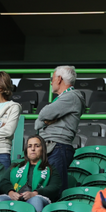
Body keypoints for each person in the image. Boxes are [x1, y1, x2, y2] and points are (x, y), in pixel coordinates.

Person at [35, 66, 84, 197]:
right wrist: (45, 119)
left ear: (59, 79)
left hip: (58, 146)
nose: (51, 82)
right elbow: (38, 123)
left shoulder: (71, 96)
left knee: (56, 189)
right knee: (47, 188)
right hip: (51, 147)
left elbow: (44, 113)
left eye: (52, 79)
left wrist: (46, 118)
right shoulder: (65, 97)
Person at [0, 135, 62, 212]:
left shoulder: (50, 169)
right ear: (26, 150)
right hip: (14, 196)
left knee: (35, 200)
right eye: (29, 146)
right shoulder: (14, 167)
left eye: (37, 146)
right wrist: (11, 192)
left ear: (43, 150)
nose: (33, 149)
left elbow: (55, 187)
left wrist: (34, 193)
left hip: (38, 197)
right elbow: (4, 182)